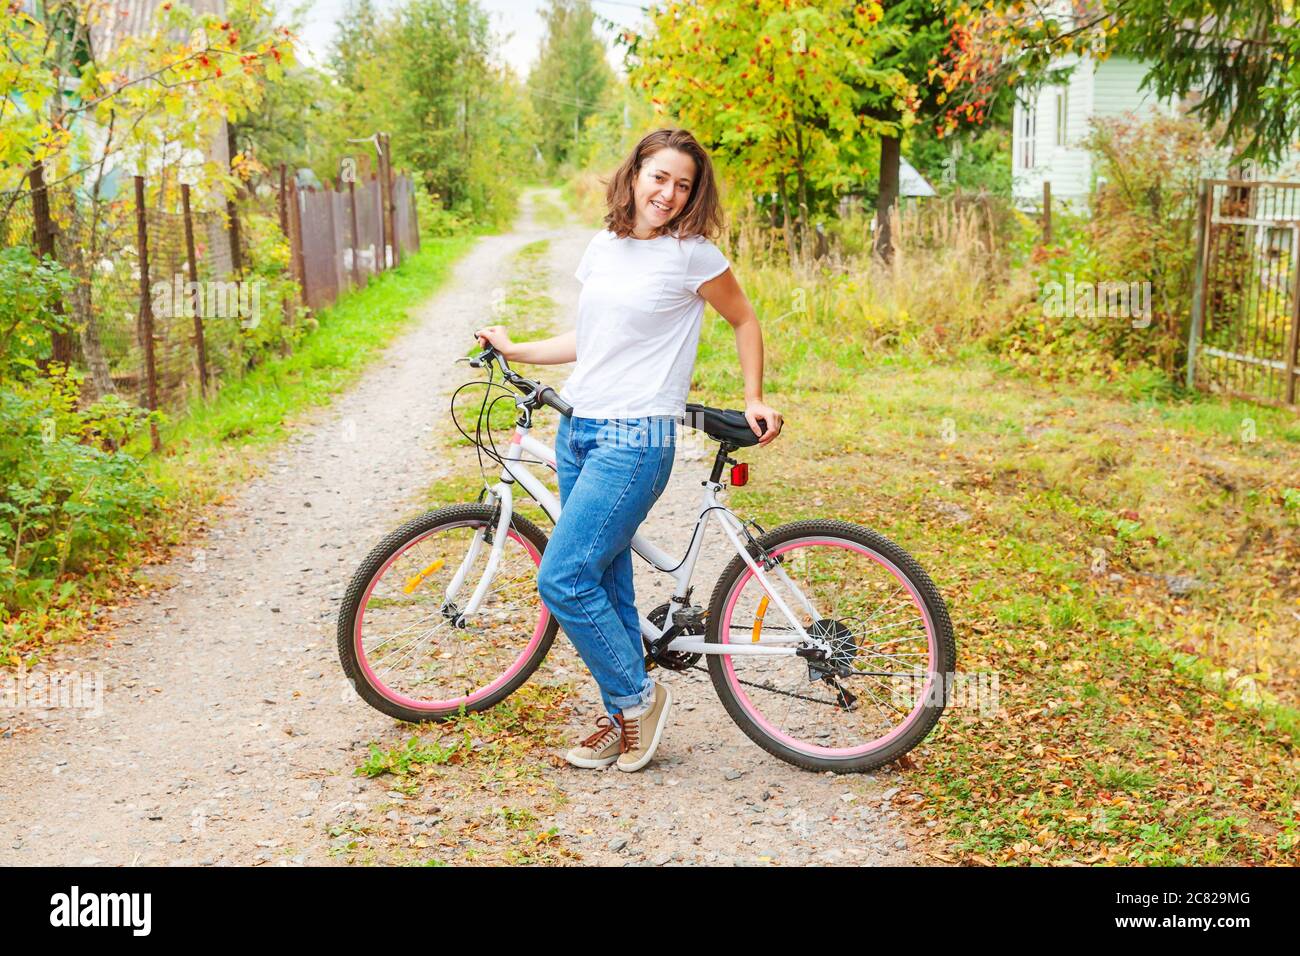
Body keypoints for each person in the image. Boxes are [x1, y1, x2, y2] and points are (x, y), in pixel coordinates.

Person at [474, 127, 781, 773]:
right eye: (659, 176)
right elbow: (592, 337)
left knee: (561, 578)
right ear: (635, 173)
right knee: (604, 581)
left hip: (637, 436)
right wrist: (518, 349)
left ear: (694, 194)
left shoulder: (693, 255)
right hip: (580, 429)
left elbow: (744, 319)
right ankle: (622, 717)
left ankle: (638, 699)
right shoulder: (604, 245)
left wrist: (753, 395)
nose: (668, 193)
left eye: (683, 184)